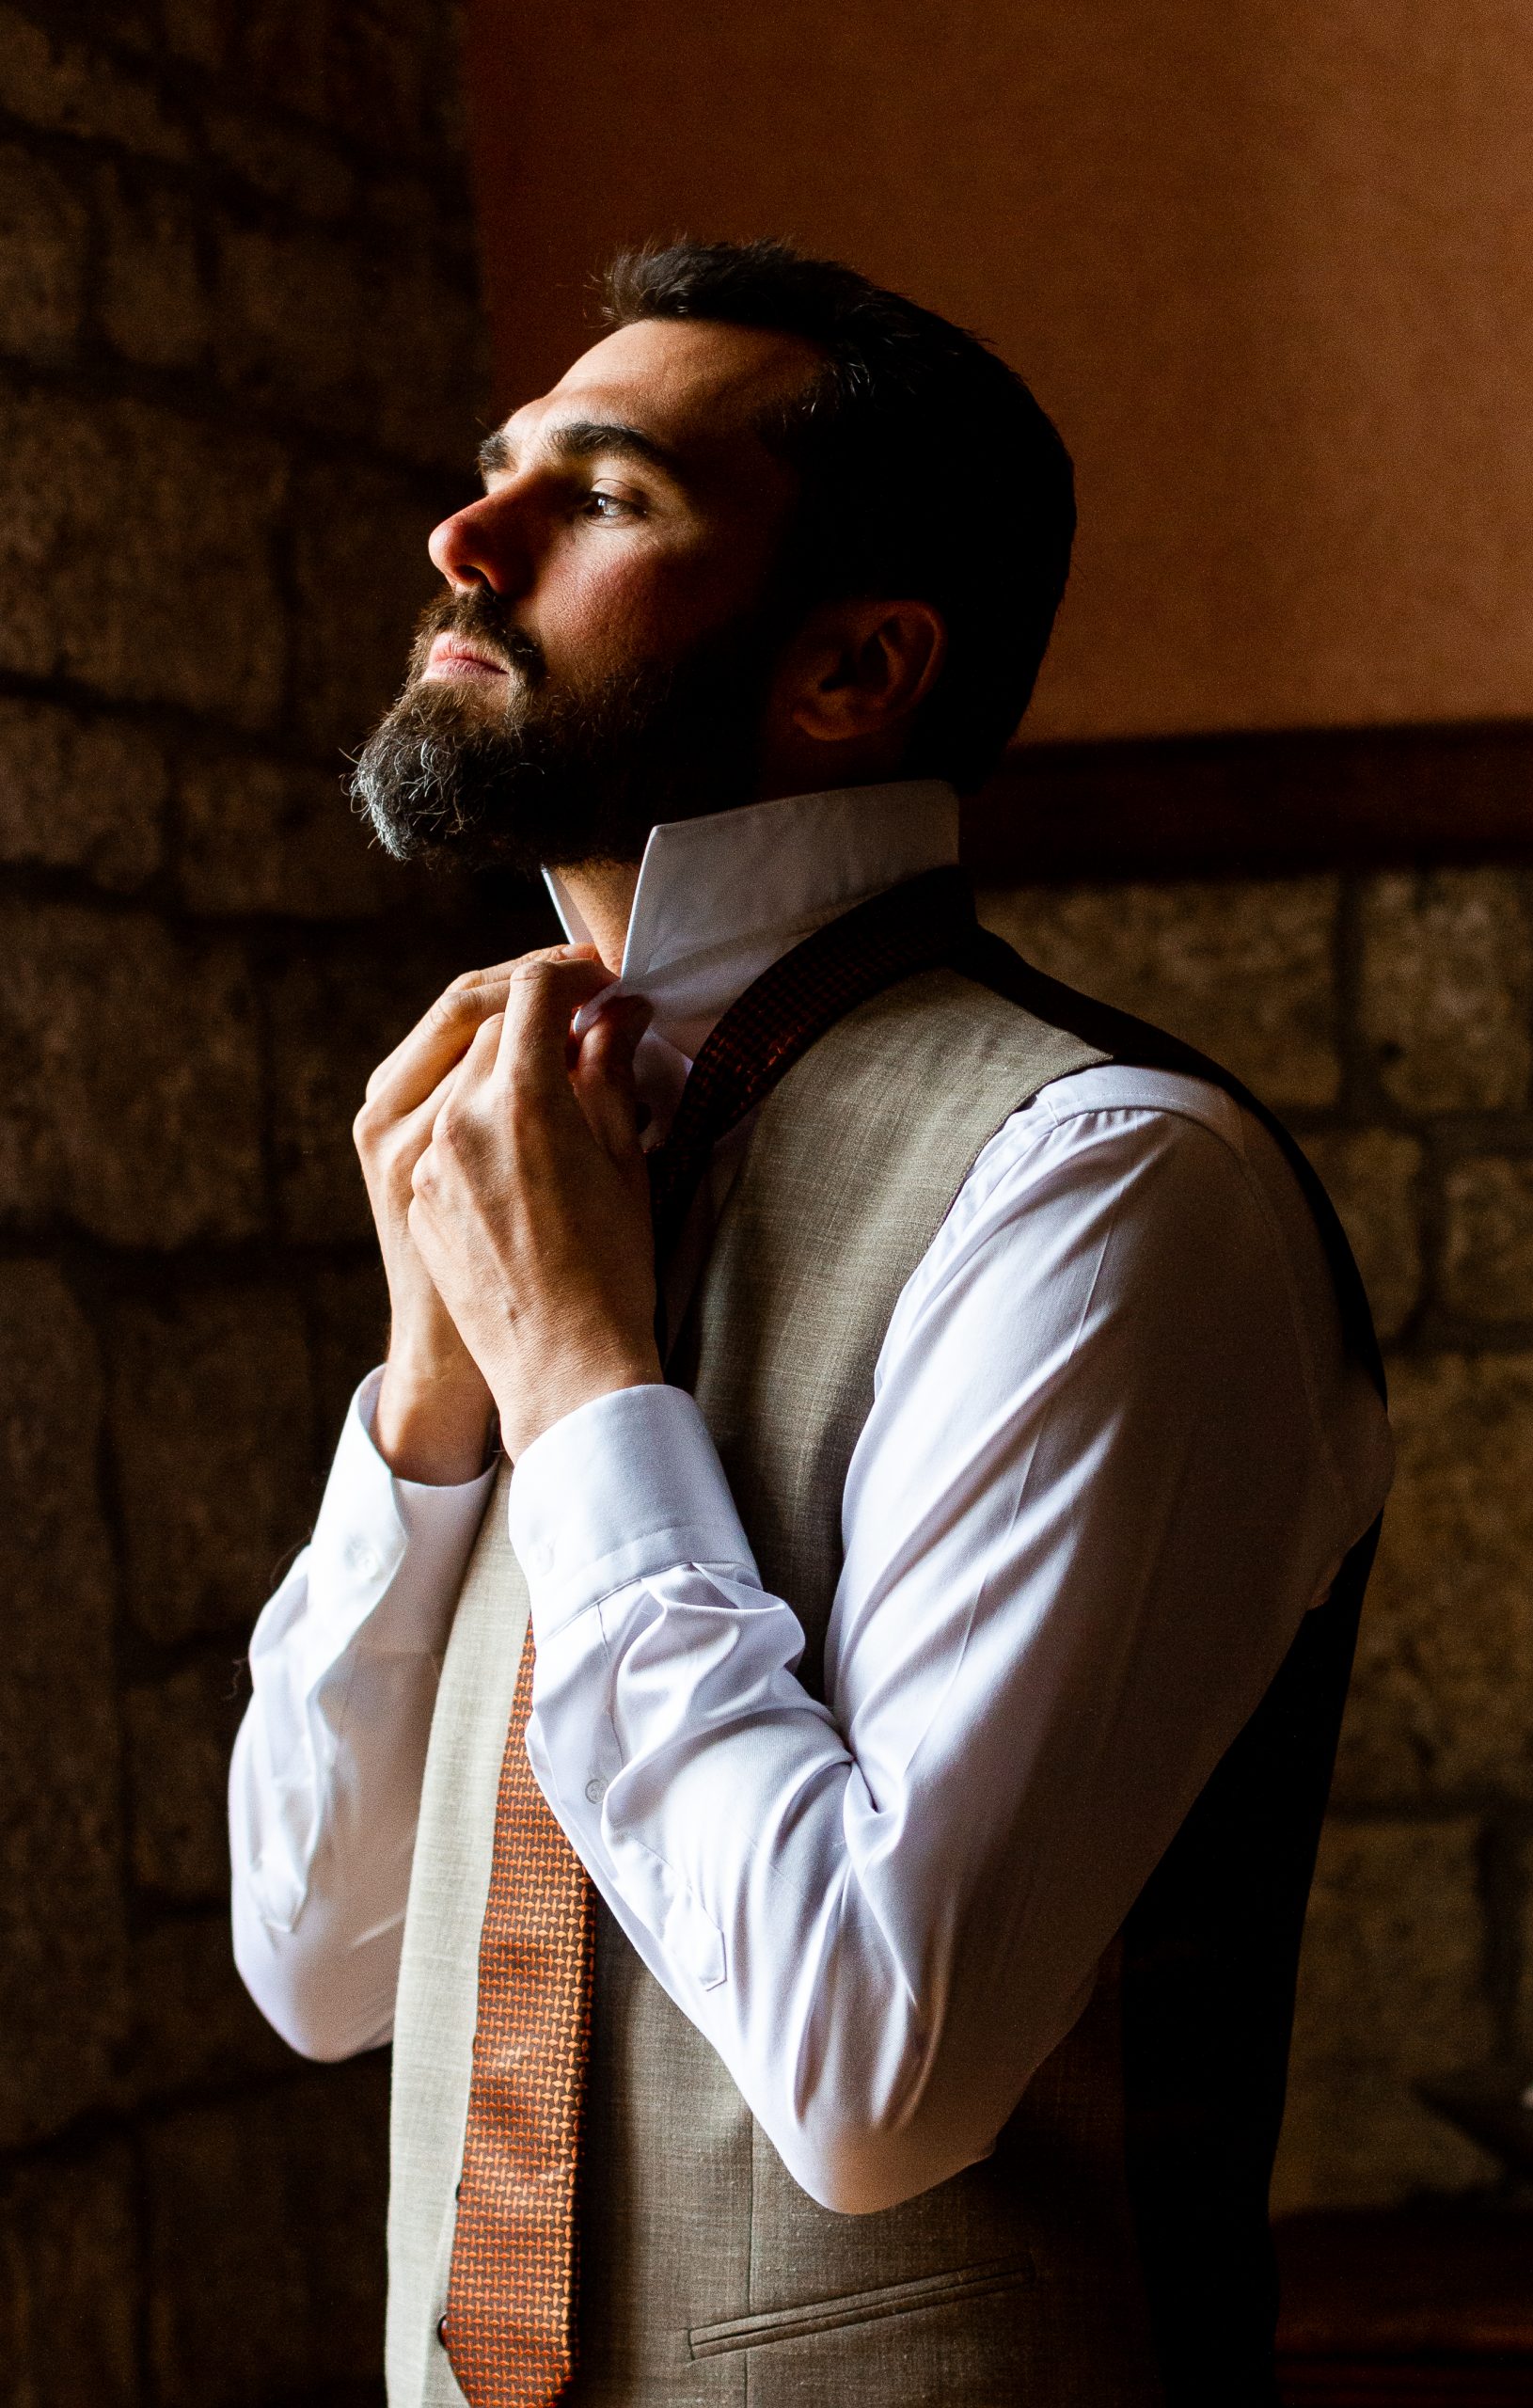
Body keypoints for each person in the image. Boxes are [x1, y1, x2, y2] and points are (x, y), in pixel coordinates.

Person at [229, 240, 1393, 2408]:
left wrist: (585, 1385)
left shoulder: (1100, 1186)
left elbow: (872, 2070)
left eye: (602, 493)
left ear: (854, 668)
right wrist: (437, 1400)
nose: (463, 537)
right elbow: (321, 1956)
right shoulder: (529, 1151)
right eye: (496, 470)